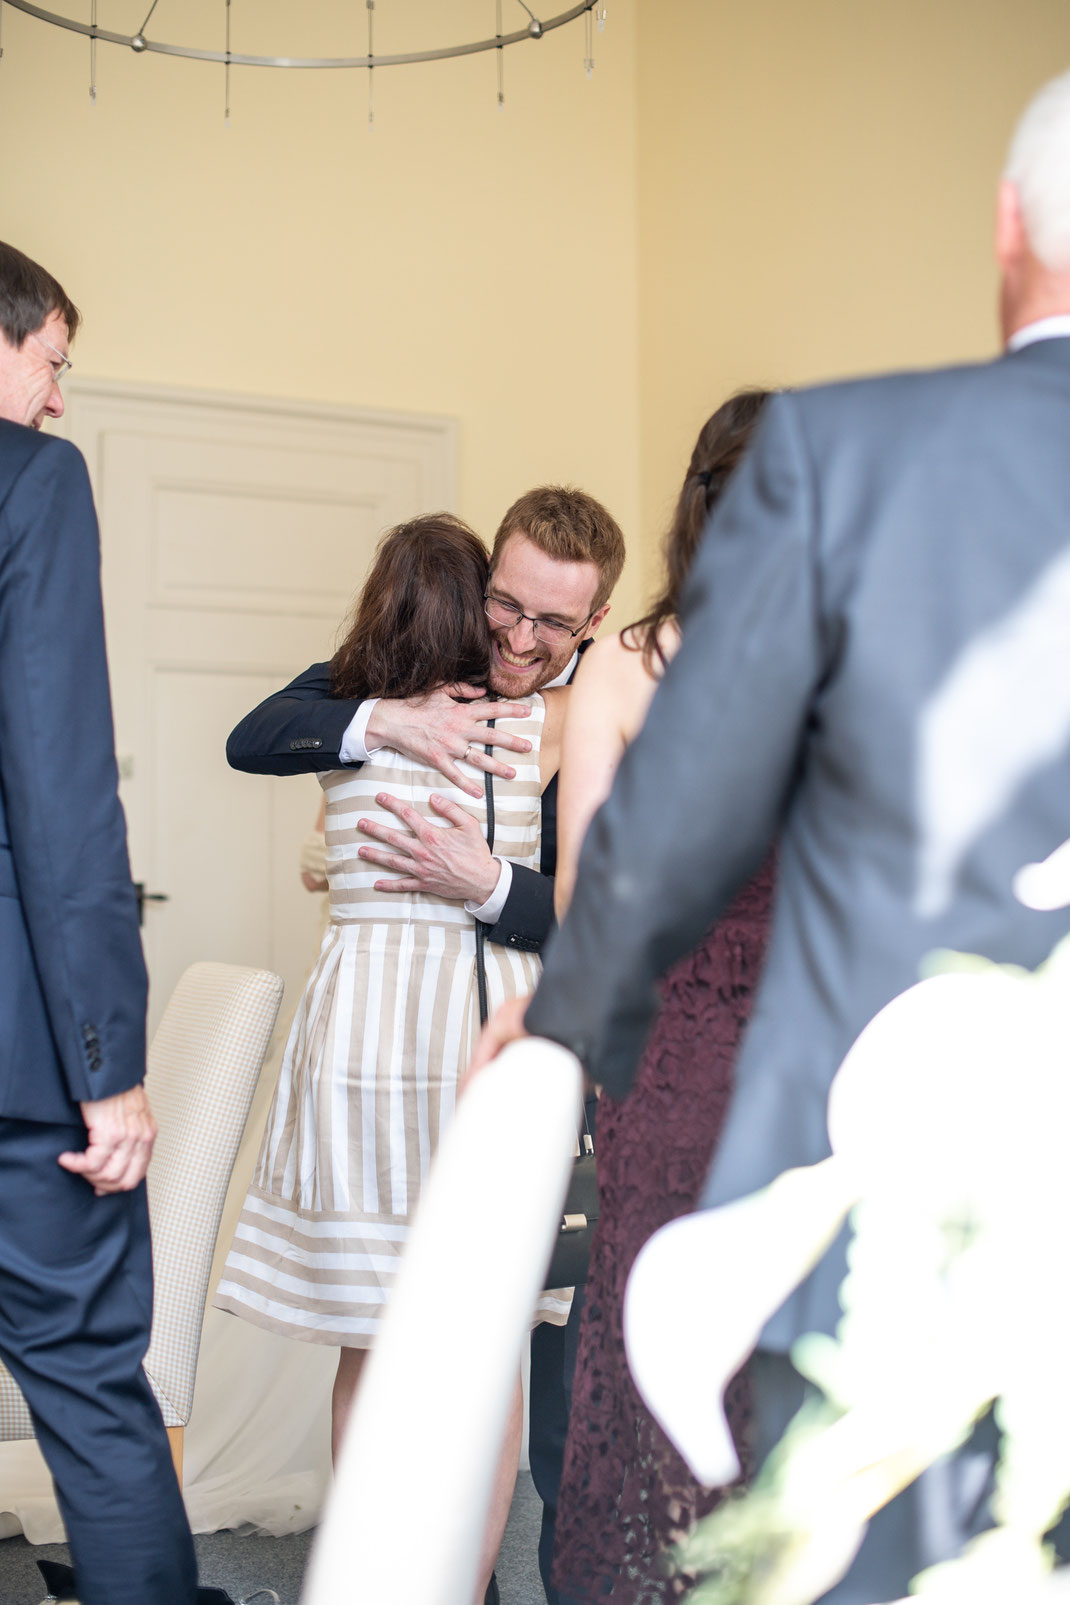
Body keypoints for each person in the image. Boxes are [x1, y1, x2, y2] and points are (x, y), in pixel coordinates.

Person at [473, 67, 1070, 1605]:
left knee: (816, 1434)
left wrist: (560, 1014)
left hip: (820, 1074)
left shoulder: (865, 468)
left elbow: (641, 854)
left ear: (1007, 227)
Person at [225, 485, 626, 1605]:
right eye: (505, 604)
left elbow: (620, 914)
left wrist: (489, 883)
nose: (517, 636)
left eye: (550, 623)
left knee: (521, 1354)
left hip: (518, 1042)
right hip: (390, 1046)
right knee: (385, 1333)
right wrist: (391, 724)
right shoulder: (373, 695)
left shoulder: (596, 721)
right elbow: (257, 733)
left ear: (589, 625)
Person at [549, 391, 773, 1602]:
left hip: (758, 1059)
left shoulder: (634, 668)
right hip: (706, 1059)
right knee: (710, 1365)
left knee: (714, 1365)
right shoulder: (631, 666)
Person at [0, 240, 197, 1604]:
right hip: (17, 1063)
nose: (58, 399)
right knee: (86, 1383)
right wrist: (108, 1062)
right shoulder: (31, 482)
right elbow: (61, 788)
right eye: (50, 361)